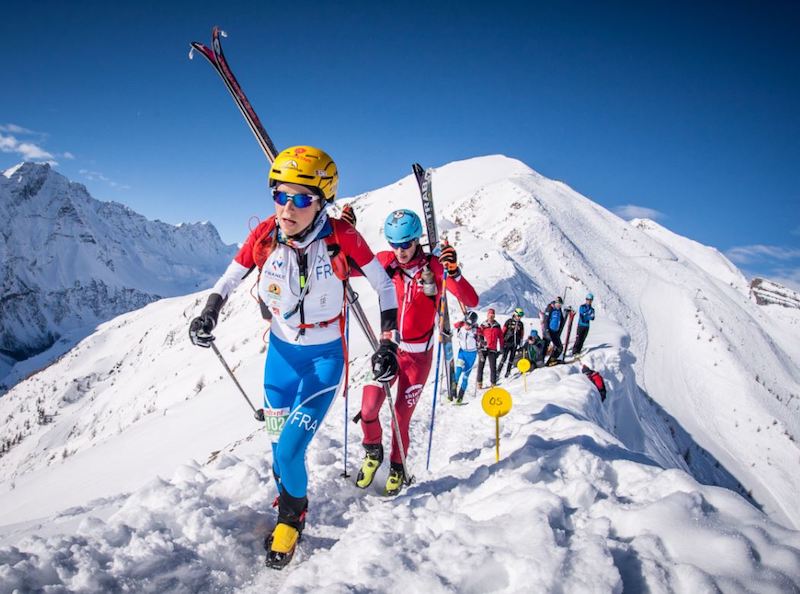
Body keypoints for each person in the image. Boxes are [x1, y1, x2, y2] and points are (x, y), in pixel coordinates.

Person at [188, 146, 399, 570]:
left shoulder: (342, 237)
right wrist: (209, 310)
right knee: (275, 446)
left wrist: (389, 342)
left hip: (323, 362)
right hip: (279, 359)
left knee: (288, 453)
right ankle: (286, 495)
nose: (288, 208)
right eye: (280, 195)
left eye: (301, 198)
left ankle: (292, 517)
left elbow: (385, 286)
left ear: (322, 201)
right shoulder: (266, 234)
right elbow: (231, 276)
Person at [356, 209, 478, 495]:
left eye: (405, 245)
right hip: (388, 351)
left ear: (417, 241)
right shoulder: (386, 262)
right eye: (394, 245)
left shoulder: (434, 267)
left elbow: (471, 300)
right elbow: (349, 263)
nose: (399, 252)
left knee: (400, 417)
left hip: (418, 358)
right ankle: (373, 452)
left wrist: (454, 272)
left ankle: (398, 468)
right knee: (368, 408)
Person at [453, 310, 480, 402]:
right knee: (457, 373)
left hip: (471, 355)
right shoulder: (461, 327)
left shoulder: (475, 331)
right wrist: (460, 323)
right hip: (462, 353)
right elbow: (454, 326)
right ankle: (452, 394)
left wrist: (482, 341)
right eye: (466, 322)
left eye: (469, 323)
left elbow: (482, 334)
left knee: (465, 377)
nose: (467, 325)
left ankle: (460, 397)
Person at [476, 308, 503, 389]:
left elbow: (501, 337)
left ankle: (493, 383)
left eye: (492, 315)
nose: (491, 317)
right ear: (487, 315)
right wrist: (480, 341)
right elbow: (478, 334)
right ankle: (479, 382)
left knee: (493, 367)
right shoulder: (483, 325)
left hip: (492, 349)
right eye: (489, 315)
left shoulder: (497, 326)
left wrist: (501, 347)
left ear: (494, 316)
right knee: (481, 366)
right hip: (484, 348)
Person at [498, 307, 525, 379]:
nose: (519, 317)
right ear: (515, 314)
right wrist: (501, 341)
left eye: (520, 316)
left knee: (511, 358)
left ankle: (508, 372)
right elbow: (503, 331)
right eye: (518, 316)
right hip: (507, 342)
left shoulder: (520, 324)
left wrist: (521, 341)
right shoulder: (509, 321)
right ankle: (498, 372)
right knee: (504, 357)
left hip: (515, 343)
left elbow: (522, 333)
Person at [542, 297, 566, 366]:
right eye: (558, 304)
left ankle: (552, 360)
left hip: (555, 332)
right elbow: (545, 320)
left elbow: (561, 319)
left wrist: (560, 328)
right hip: (548, 331)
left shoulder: (559, 310)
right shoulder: (550, 308)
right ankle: (541, 362)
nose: (559, 305)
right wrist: (546, 331)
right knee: (545, 347)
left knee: (559, 347)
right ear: (555, 303)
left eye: (560, 304)